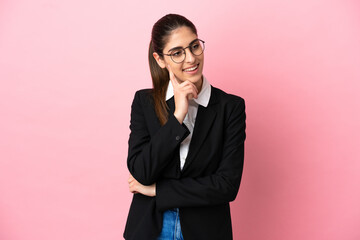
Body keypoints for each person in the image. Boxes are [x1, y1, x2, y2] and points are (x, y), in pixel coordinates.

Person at [124, 13, 246, 240]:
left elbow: (226, 185)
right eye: (177, 53)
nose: (191, 58)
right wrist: (178, 116)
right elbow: (141, 171)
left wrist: (158, 190)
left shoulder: (231, 107)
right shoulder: (145, 102)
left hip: (206, 230)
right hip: (151, 227)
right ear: (160, 60)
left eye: (194, 46)